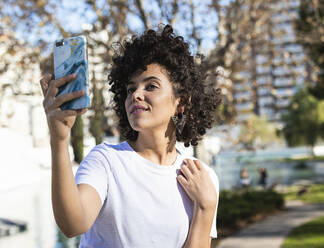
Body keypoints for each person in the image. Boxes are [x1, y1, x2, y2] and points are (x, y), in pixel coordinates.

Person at [39, 24, 222, 248]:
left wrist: (206, 207)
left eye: (151, 86)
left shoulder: (202, 178)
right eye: (130, 89)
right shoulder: (106, 161)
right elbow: (72, 225)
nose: (136, 95)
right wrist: (59, 140)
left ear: (181, 102)